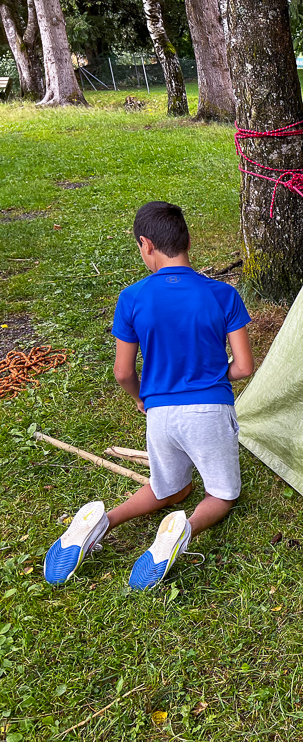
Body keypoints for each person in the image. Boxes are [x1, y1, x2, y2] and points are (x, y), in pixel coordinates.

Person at [44, 201, 254, 590]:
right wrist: (213, 377)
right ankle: (182, 531)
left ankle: (102, 523)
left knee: (171, 488)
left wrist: (142, 398)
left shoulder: (133, 298)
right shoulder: (223, 295)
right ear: (188, 240)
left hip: (160, 415)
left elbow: (123, 372)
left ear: (146, 245)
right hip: (209, 410)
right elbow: (243, 367)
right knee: (222, 496)